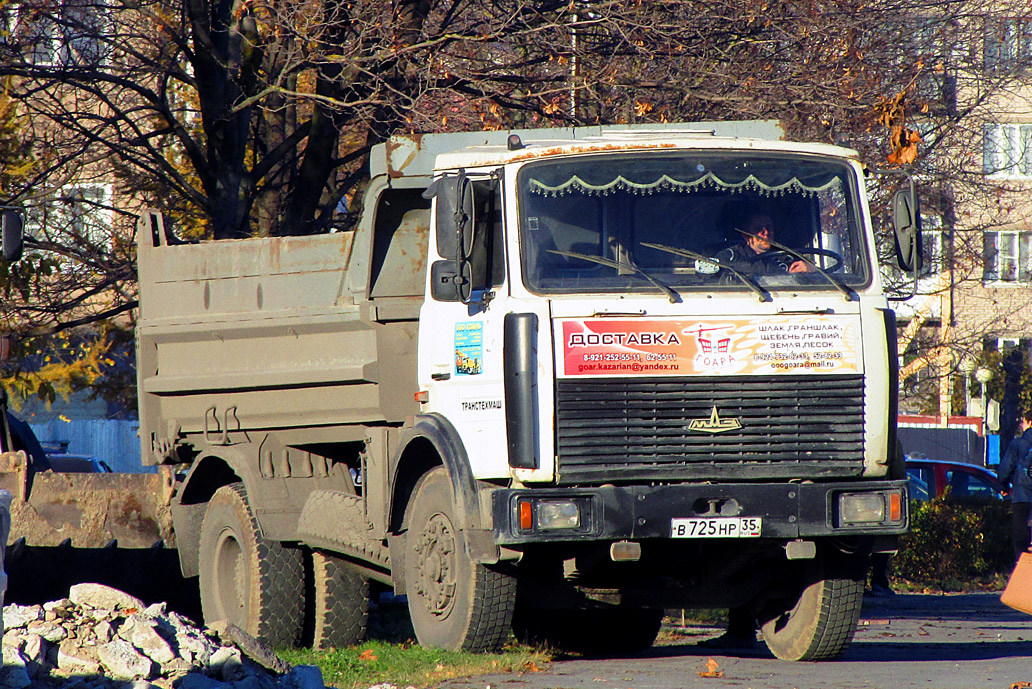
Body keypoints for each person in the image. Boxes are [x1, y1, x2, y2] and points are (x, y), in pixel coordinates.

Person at [714, 210, 812, 275]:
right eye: (758, 229)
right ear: (746, 235)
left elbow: (821, 275)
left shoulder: (785, 255)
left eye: (769, 228)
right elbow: (711, 273)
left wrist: (810, 269)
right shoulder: (732, 255)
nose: (766, 232)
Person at [998, 411, 1032, 561]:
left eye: (1023, 422)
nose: (1021, 425)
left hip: (1022, 494)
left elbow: (1005, 468)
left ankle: (1023, 565)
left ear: (1030, 422)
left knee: (1020, 532)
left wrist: (1004, 485)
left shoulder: (1018, 444)